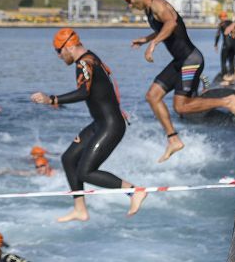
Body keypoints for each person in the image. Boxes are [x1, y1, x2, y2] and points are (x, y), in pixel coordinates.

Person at [30, 28, 148, 221]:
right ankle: (79, 209)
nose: (59, 56)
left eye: (58, 51)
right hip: (100, 124)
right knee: (68, 158)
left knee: (85, 172)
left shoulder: (84, 62)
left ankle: (134, 191)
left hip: (111, 125)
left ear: (68, 46)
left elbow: (83, 92)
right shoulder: (87, 59)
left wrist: (52, 99)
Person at [122, 0, 235, 162]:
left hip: (191, 60)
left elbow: (171, 23)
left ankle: (227, 101)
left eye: (130, 1)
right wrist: (147, 39)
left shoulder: (157, 4)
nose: (131, 6)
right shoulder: (150, 9)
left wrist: (153, 44)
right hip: (181, 61)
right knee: (153, 96)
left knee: (181, 106)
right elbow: (164, 26)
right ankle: (173, 140)